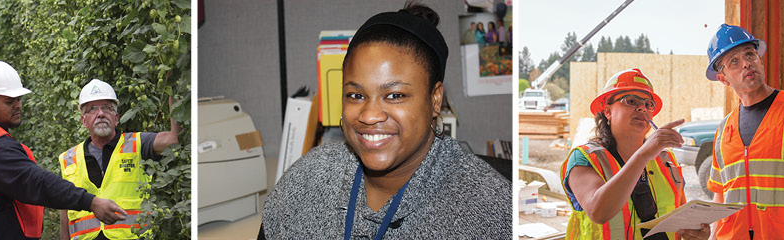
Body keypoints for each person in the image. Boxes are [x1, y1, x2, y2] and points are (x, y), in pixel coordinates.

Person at [262, 2, 511, 239]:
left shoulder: (490, 209)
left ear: (435, 100)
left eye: (394, 95)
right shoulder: (305, 179)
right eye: (356, 95)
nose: (369, 115)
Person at [0, 61, 126, 240]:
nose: (18, 105)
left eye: (19, 99)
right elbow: (36, 182)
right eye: (9, 101)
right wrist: (90, 201)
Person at [701, 24, 784, 240]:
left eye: (750, 54)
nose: (746, 63)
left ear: (760, 60)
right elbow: (721, 196)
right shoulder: (724, 130)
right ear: (723, 78)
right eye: (734, 61)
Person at [562, 69, 709, 240]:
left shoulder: (665, 160)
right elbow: (599, 212)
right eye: (631, 101)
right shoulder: (585, 159)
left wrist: (696, 233)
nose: (642, 108)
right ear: (608, 112)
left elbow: (681, 220)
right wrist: (643, 155)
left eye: (648, 104)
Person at [55, 79, 182, 240]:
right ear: (83, 121)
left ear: (116, 118)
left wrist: (173, 80)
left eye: (107, 108)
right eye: (92, 109)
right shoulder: (69, 158)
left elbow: (173, 140)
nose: (100, 113)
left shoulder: (138, 144)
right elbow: (65, 212)